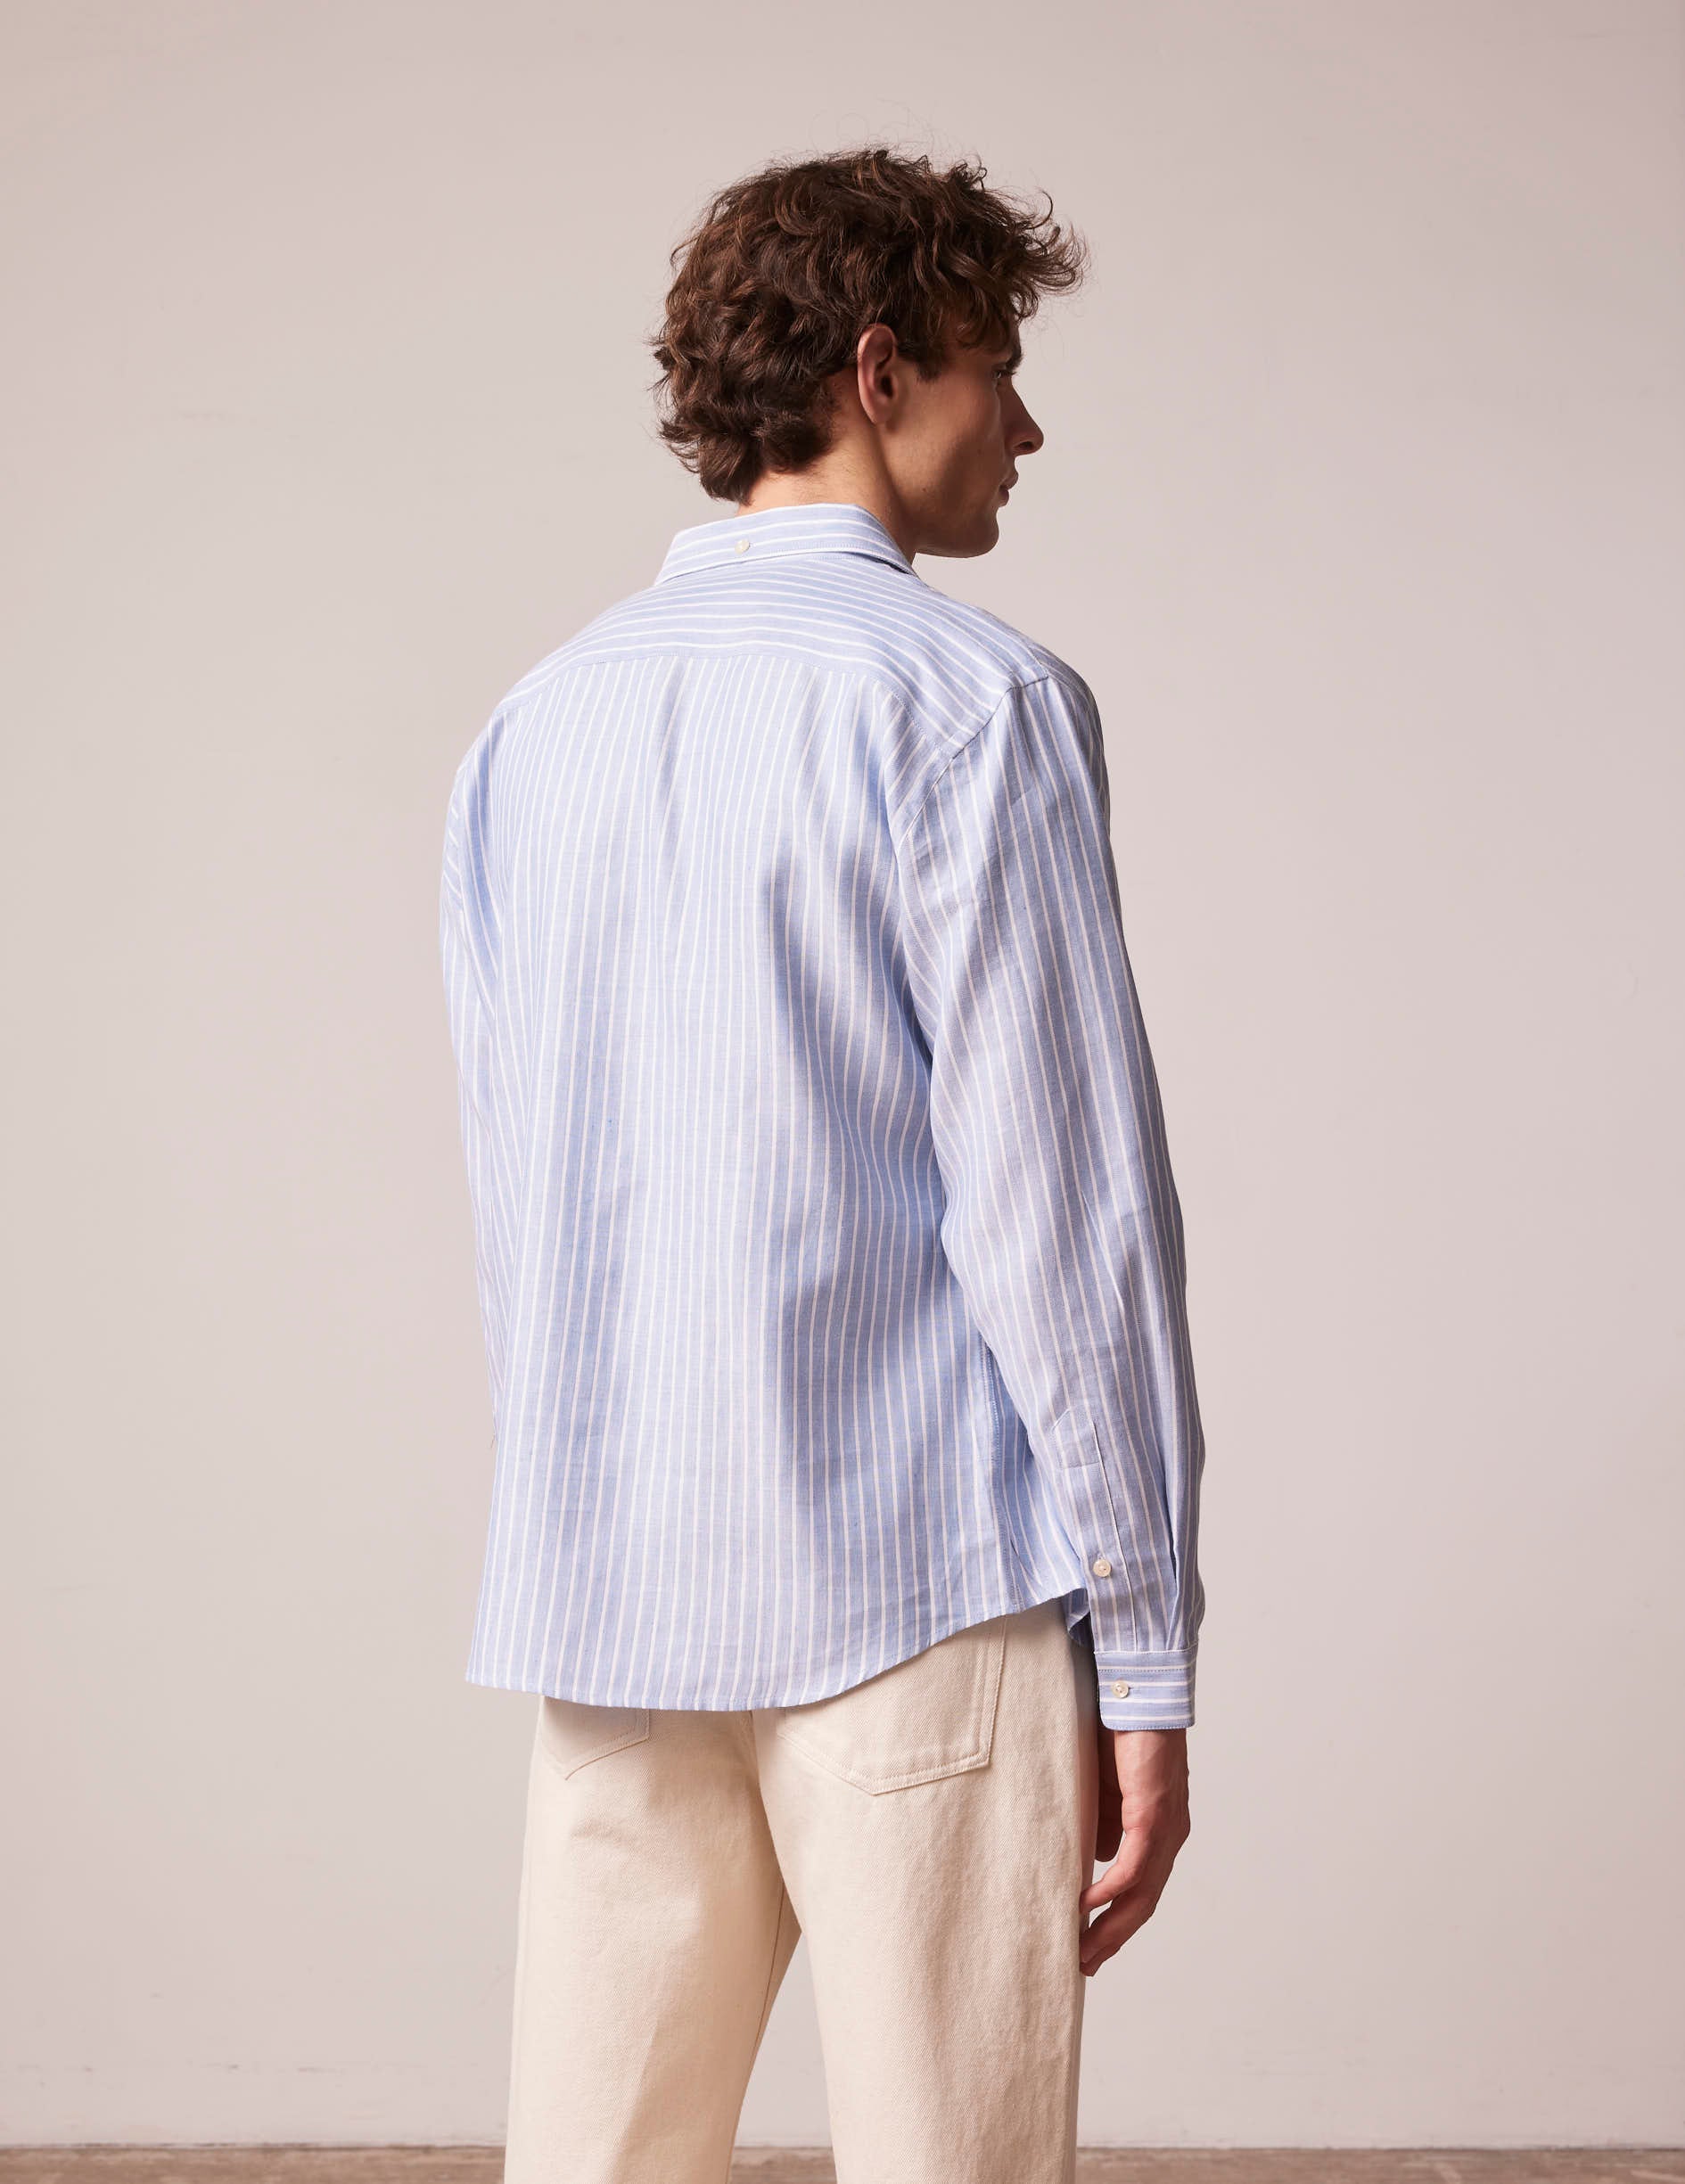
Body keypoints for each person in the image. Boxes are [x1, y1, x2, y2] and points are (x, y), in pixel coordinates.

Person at [439, 144, 1209, 2184]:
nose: (1023, 426)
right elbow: (1071, 1226)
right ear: (881, 372)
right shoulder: (976, 709)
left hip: (613, 1595)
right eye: (996, 368)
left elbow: (525, 1209)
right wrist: (1144, 1646)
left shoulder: (536, 727)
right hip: (920, 1593)